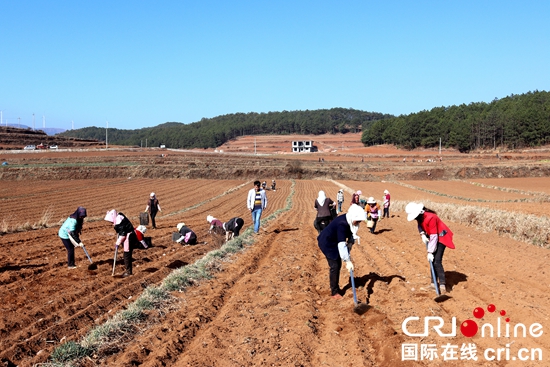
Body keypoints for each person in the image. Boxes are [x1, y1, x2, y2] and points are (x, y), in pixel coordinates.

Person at [317, 204, 366, 299]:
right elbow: (342, 245)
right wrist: (347, 261)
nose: (359, 222)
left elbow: (352, 233)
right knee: (335, 265)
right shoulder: (342, 224)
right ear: (353, 217)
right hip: (327, 243)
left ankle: (335, 288)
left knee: (337, 264)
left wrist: (351, 243)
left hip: (334, 241)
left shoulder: (350, 220)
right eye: (358, 220)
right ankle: (334, 292)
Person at [405, 202, 455, 294]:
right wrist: (422, 234)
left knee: (437, 261)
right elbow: (420, 225)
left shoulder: (431, 217)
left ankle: (443, 286)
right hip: (434, 237)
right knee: (432, 261)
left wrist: (430, 252)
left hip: (441, 237)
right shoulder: (420, 217)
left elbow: (434, 236)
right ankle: (433, 285)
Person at [104, 209, 140, 277]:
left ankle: (129, 272)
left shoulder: (119, 222)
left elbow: (122, 235)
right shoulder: (120, 216)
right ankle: (128, 271)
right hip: (129, 236)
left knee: (126, 255)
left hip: (129, 238)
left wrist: (118, 242)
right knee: (127, 254)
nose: (111, 222)